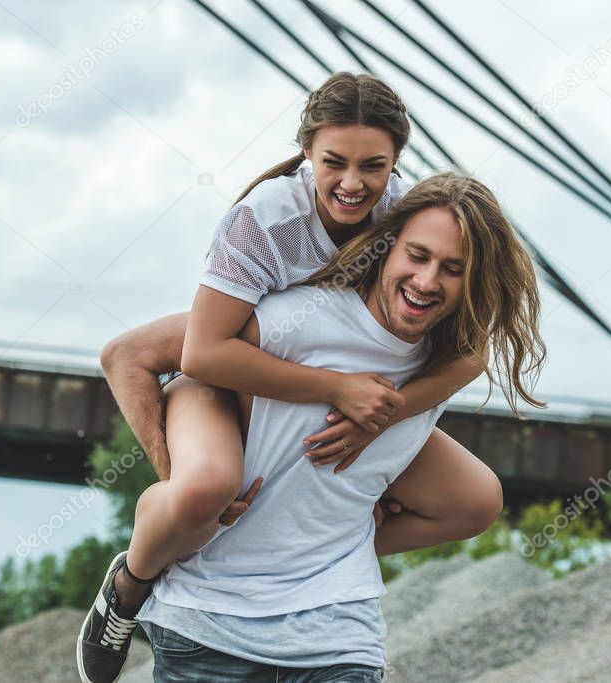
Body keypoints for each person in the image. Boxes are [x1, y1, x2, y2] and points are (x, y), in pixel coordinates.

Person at [78, 73, 541, 682]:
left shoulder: (401, 216)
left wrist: (383, 414)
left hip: (317, 418)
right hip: (215, 378)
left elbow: (473, 351)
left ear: (396, 162)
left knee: (476, 498)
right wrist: (190, 501)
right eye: (333, 163)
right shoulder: (265, 221)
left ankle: (320, 553)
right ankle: (128, 585)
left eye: (373, 166)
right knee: (207, 486)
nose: (353, 184)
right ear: (305, 153)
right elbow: (168, 354)